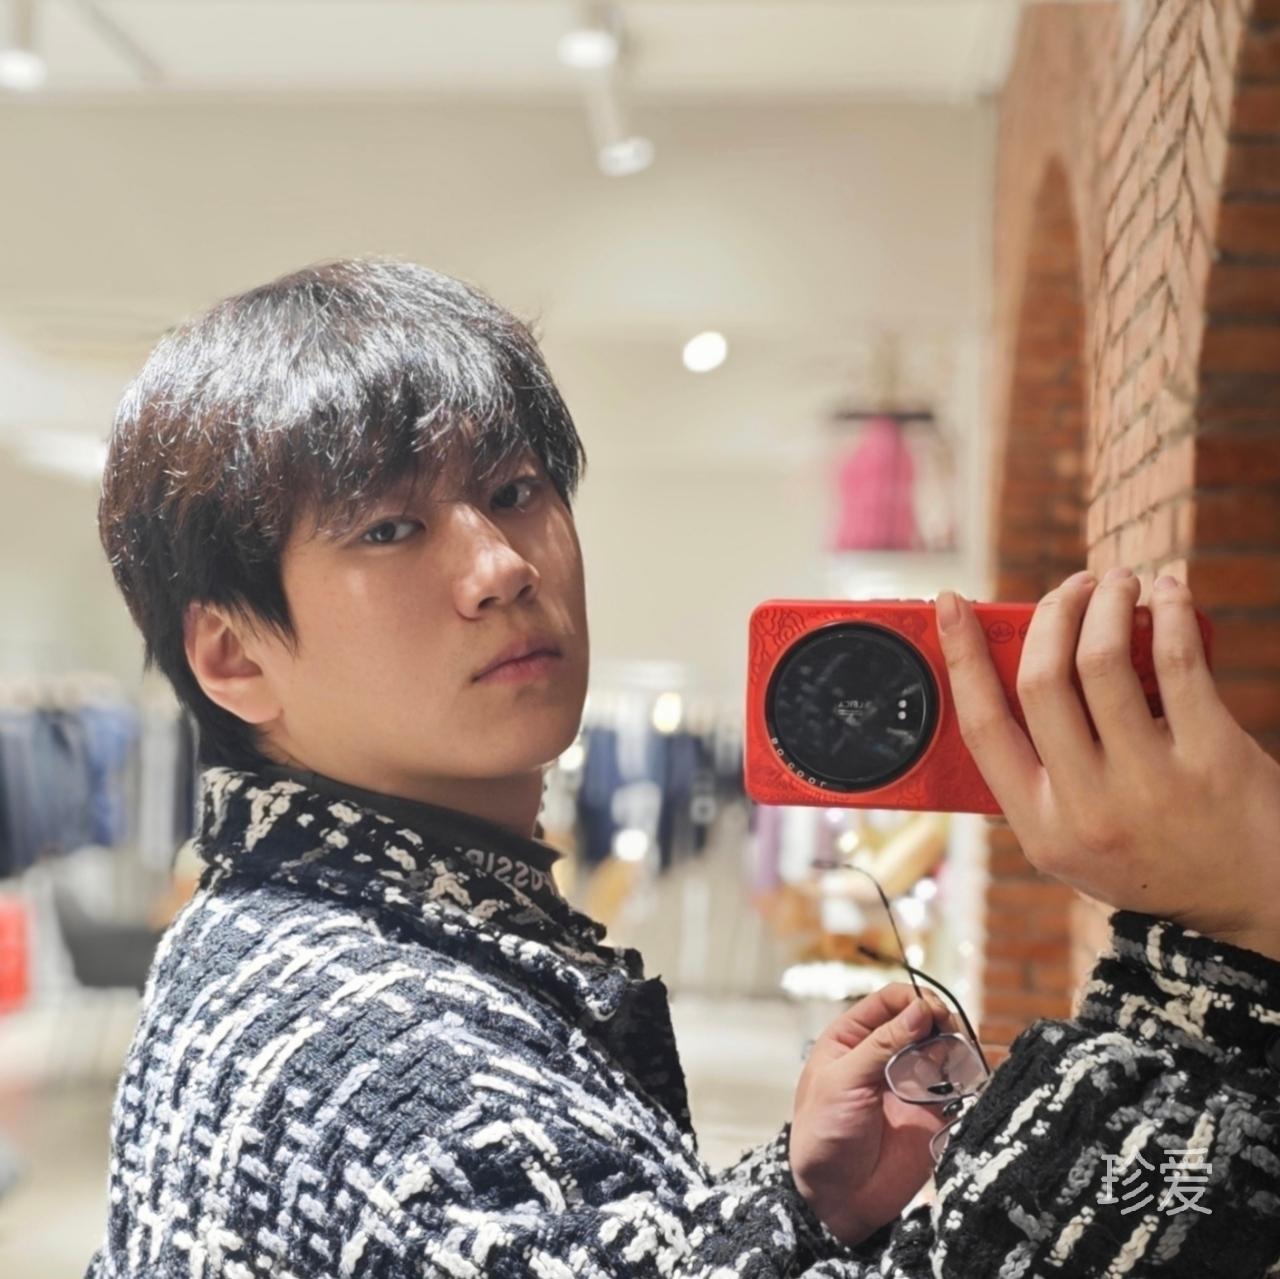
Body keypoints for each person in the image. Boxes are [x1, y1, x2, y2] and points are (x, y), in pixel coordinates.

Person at [86, 257, 1280, 1278]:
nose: (501, 565)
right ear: (233, 654)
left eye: (512, 490)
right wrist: (1218, 962)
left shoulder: (271, 935)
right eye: (388, 528)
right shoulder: (373, 1044)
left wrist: (786, 1208)